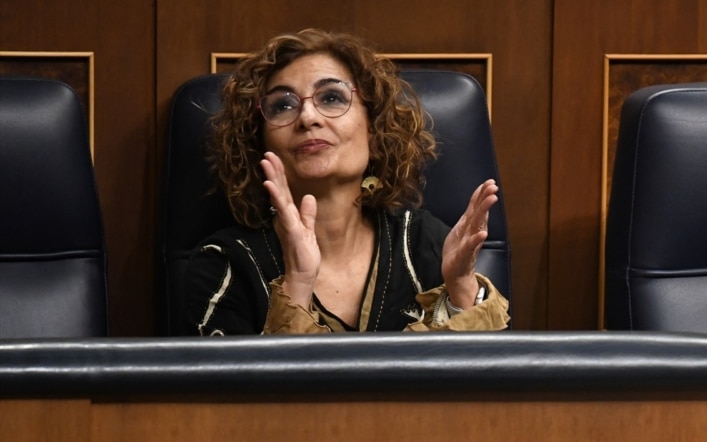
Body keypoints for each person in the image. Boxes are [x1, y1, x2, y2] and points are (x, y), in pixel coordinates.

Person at [182, 29, 509, 335]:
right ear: (260, 140)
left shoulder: (424, 243)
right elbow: (237, 394)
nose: (308, 117)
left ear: (373, 127)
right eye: (282, 105)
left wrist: (460, 287)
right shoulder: (224, 263)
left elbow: (479, 385)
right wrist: (297, 283)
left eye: (332, 98)